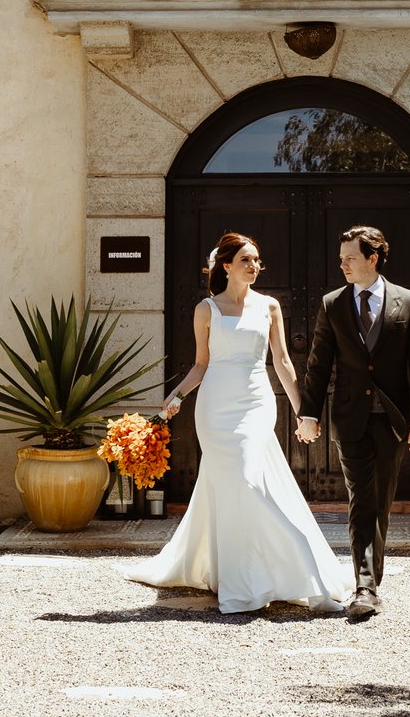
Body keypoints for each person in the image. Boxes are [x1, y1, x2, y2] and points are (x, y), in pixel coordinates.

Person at [126, 232, 349, 614]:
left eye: (256, 260)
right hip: (215, 407)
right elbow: (200, 365)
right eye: (246, 259)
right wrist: (175, 397)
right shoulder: (206, 309)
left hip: (257, 403)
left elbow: (281, 361)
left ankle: (297, 568)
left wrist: (303, 412)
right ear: (225, 266)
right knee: (229, 487)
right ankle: (237, 575)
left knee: (248, 480)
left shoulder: (270, 307)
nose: (254, 266)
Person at [297, 224, 410, 619]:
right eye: (341, 259)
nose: (343, 265)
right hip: (350, 418)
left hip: (393, 421)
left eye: (350, 258)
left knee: (380, 501)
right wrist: (309, 414)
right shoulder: (332, 304)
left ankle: (369, 580)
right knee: (361, 498)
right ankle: (365, 587)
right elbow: (318, 365)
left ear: (372, 258)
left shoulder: (407, 303)